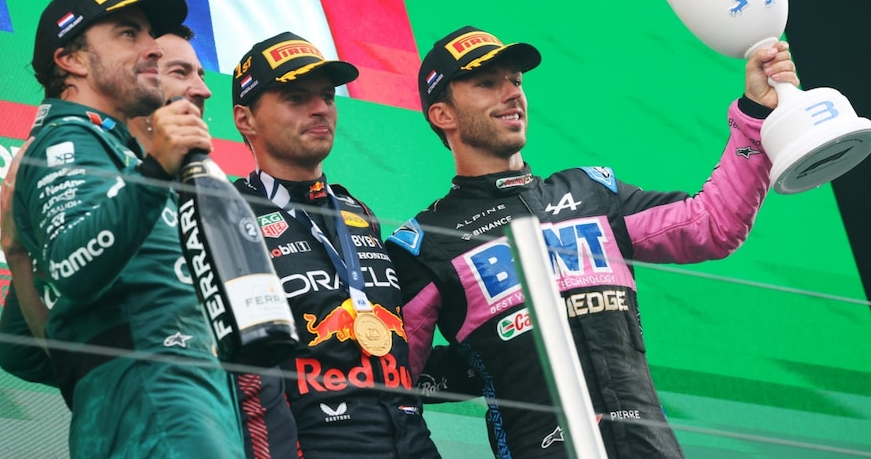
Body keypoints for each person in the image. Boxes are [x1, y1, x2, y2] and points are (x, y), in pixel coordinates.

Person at [385, 26, 799, 459]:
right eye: (487, 84)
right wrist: (482, 365)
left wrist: (755, 115)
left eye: (516, 81)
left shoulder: (591, 193)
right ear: (443, 115)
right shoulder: (425, 244)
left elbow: (713, 224)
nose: (511, 93)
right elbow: (392, 385)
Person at [8, 0, 244, 457]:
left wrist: (18, 258)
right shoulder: (67, 140)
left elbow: (22, 348)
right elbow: (75, 265)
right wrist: (156, 170)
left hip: (181, 402)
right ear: (71, 60)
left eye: (149, 35)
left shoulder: (115, 152)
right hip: (159, 409)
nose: (153, 48)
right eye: (127, 34)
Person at [230, 32, 440, 458]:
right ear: (245, 119)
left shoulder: (355, 210)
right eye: (295, 97)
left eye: (327, 96)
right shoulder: (227, 213)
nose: (320, 108)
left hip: (413, 444)